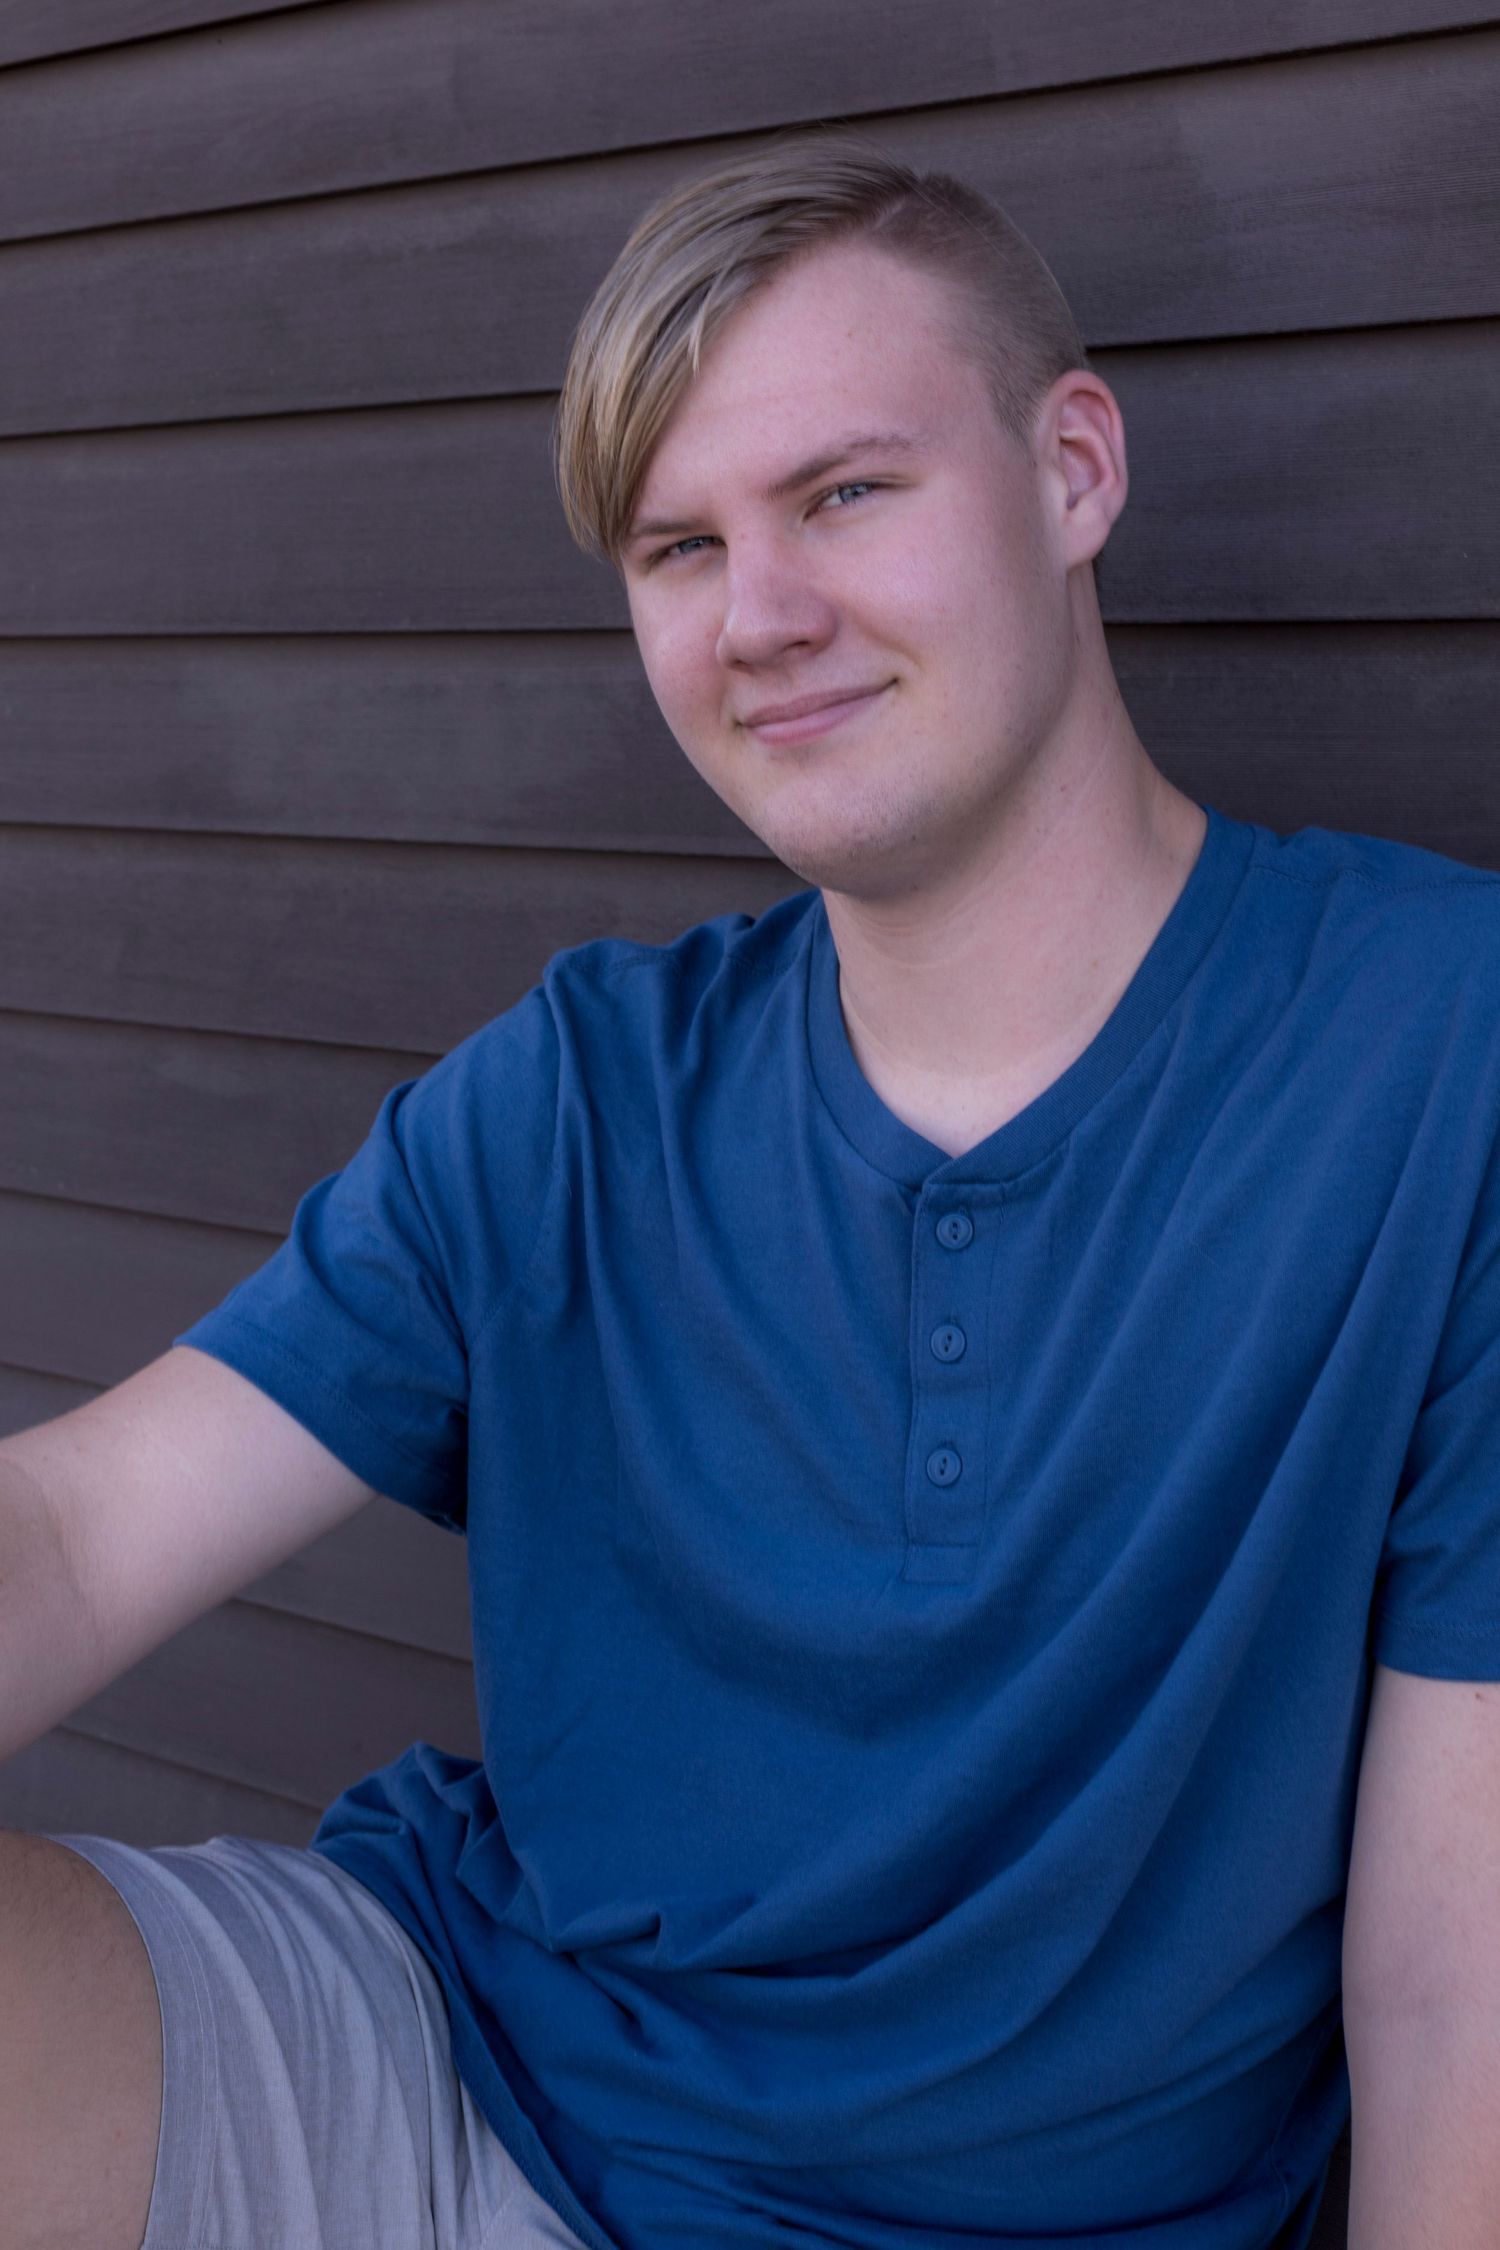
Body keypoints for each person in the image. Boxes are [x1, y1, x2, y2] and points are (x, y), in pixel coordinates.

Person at [2, 133, 1498, 2250]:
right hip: (462, 2104)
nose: (762, 617)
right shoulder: (581, 1092)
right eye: (676, 546)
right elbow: (72, 1528)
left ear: (1074, 473)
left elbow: (1459, 1990)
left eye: (842, 494)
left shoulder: (1441, 1055)